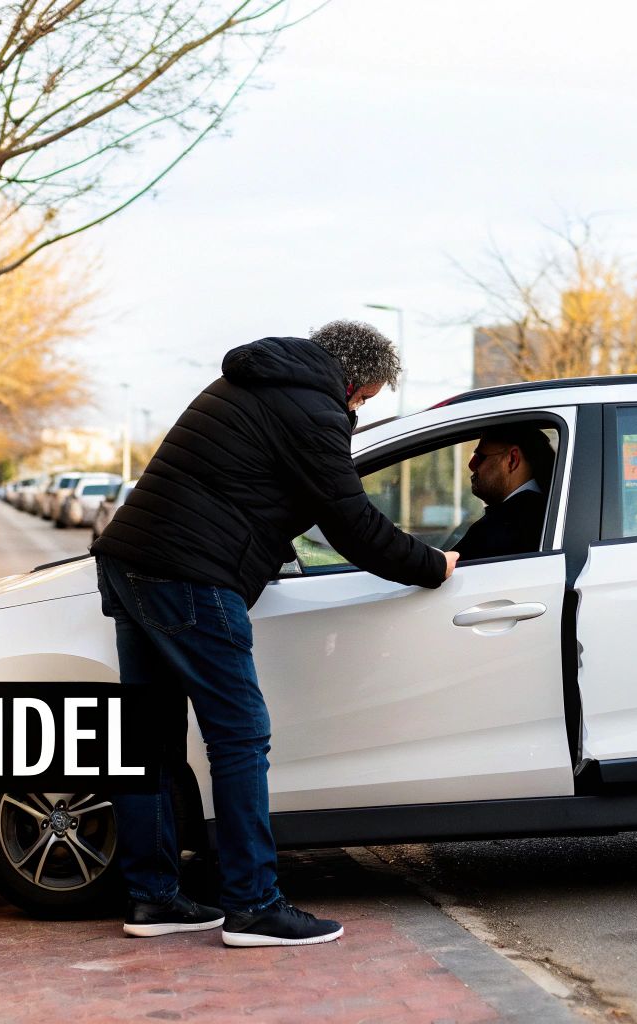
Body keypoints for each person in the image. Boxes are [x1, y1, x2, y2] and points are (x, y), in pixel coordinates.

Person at [90, 321, 457, 948]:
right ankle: (254, 905)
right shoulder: (315, 409)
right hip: (190, 576)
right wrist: (432, 564)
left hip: (131, 562)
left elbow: (240, 486)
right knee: (240, 736)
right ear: (351, 381)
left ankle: (152, 899)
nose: (359, 411)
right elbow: (349, 521)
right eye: (364, 400)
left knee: (147, 740)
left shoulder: (250, 383)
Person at [448, 425, 554, 560]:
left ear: (512, 460)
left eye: (479, 457)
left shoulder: (498, 528)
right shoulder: (545, 513)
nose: (472, 465)